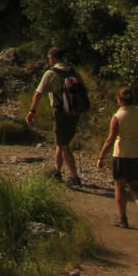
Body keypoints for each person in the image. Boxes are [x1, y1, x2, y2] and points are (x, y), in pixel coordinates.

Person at [96, 86, 138, 230]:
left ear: (119, 100)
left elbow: (110, 139)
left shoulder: (118, 116)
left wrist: (101, 157)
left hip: (123, 154)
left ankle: (122, 218)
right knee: (135, 185)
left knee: (120, 186)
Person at [25, 47, 83, 187]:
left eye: (49, 58)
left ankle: (74, 177)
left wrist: (32, 111)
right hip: (74, 111)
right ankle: (57, 172)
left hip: (60, 112)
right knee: (61, 141)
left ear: (52, 58)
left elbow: (38, 93)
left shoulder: (51, 73)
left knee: (63, 144)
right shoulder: (73, 71)